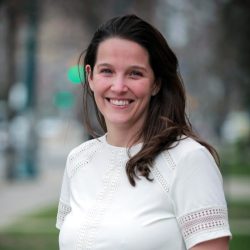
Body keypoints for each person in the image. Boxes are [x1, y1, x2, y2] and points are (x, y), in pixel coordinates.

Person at [56, 14, 231, 250]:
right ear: (90, 76)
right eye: (107, 71)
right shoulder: (78, 160)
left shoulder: (189, 159)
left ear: (156, 82)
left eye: (134, 73)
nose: (118, 87)